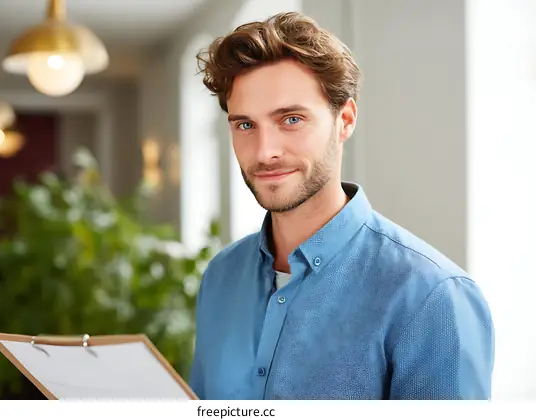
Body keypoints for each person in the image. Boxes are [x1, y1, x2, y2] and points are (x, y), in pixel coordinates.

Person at [188, 11, 494, 400]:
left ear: (345, 120)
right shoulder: (221, 276)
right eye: (245, 125)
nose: (264, 152)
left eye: (291, 119)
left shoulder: (432, 297)